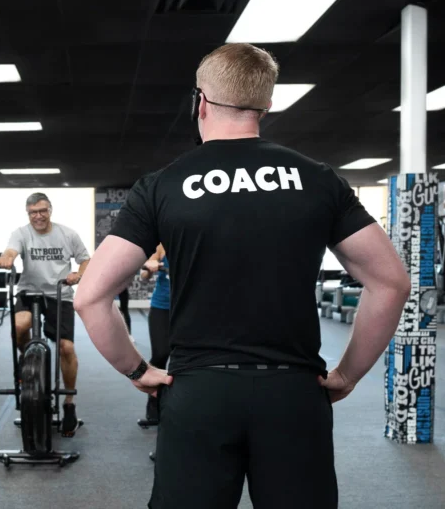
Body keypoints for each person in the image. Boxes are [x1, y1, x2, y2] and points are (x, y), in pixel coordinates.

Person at [73, 43, 410, 508]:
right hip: (293, 393)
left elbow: (90, 296)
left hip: (199, 392)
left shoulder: (162, 185)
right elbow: (391, 282)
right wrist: (349, 374)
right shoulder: (317, 179)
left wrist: (137, 369)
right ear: (266, 105)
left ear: (200, 103)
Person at [0, 192, 92, 436]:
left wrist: (78, 274)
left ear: (50, 210)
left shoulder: (67, 234)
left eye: (42, 211)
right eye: (33, 212)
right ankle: (28, 357)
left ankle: (69, 403)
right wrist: (6, 258)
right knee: (19, 327)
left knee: (66, 348)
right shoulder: (21, 233)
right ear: (27, 213)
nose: (38, 216)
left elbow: (86, 260)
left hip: (60, 293)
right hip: (29, 292)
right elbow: (11, 251)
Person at [139, 244, 171, 422]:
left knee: (187, 357)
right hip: (162, 308)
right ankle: (153, 400)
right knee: (160, 354)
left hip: (188, 308)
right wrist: (149, 267)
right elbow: (143, 275)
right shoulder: (161, 247)